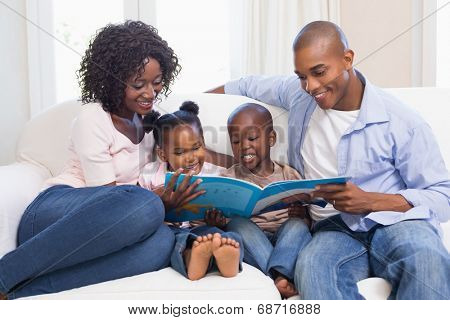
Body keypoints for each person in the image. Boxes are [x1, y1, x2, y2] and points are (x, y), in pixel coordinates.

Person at [209, 21, 450, 299]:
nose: (311, 86)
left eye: (319, 72)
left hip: (396, 222)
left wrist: (372, 201)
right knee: (311, 267)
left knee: (427, 260)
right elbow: (245, 84)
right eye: (302, 76)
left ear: (348, 59)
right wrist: (182, 104)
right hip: (333, 228)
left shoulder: (402, 120)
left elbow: (442, 196)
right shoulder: (300, 95)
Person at [0, 20, 219, 300]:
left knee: (163, 242)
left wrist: (243, 163)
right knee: (149, 205)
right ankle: (5, 274)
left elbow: (194, 152)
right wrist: (160, 202)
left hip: (109, 228)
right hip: (52, 217)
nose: (151, 93)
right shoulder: (94, 118)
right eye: (138, 84)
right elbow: (108, 198)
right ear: (113, 81)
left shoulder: (152, 125)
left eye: (157, 82)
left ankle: (20, 295)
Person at [212, 102, 312, 298]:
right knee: (238, 225)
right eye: (236, 141)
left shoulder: (288, 174)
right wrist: (217, 222)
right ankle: (280, 276)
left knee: (298, 226)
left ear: (271, 138)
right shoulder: (226, 179)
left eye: (251, 138)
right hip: (253, 242)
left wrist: (302, 216)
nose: (244, 146)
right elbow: (224, 223)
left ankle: (275, 275)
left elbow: (309, 220)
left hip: (286, 241)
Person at [140, 101, 243, 281]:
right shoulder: (150, 175)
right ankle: (193, 258)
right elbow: (142, 214)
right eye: (180, 153)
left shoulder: (216, 173)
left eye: (196, 148)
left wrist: (219, 221)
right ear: (163, 155)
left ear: (203, 143)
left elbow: (226, 213)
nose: (191, 158)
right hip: (171, 232)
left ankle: (224, 260)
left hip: (204, 229)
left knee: (231, 237)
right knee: (170, 241)